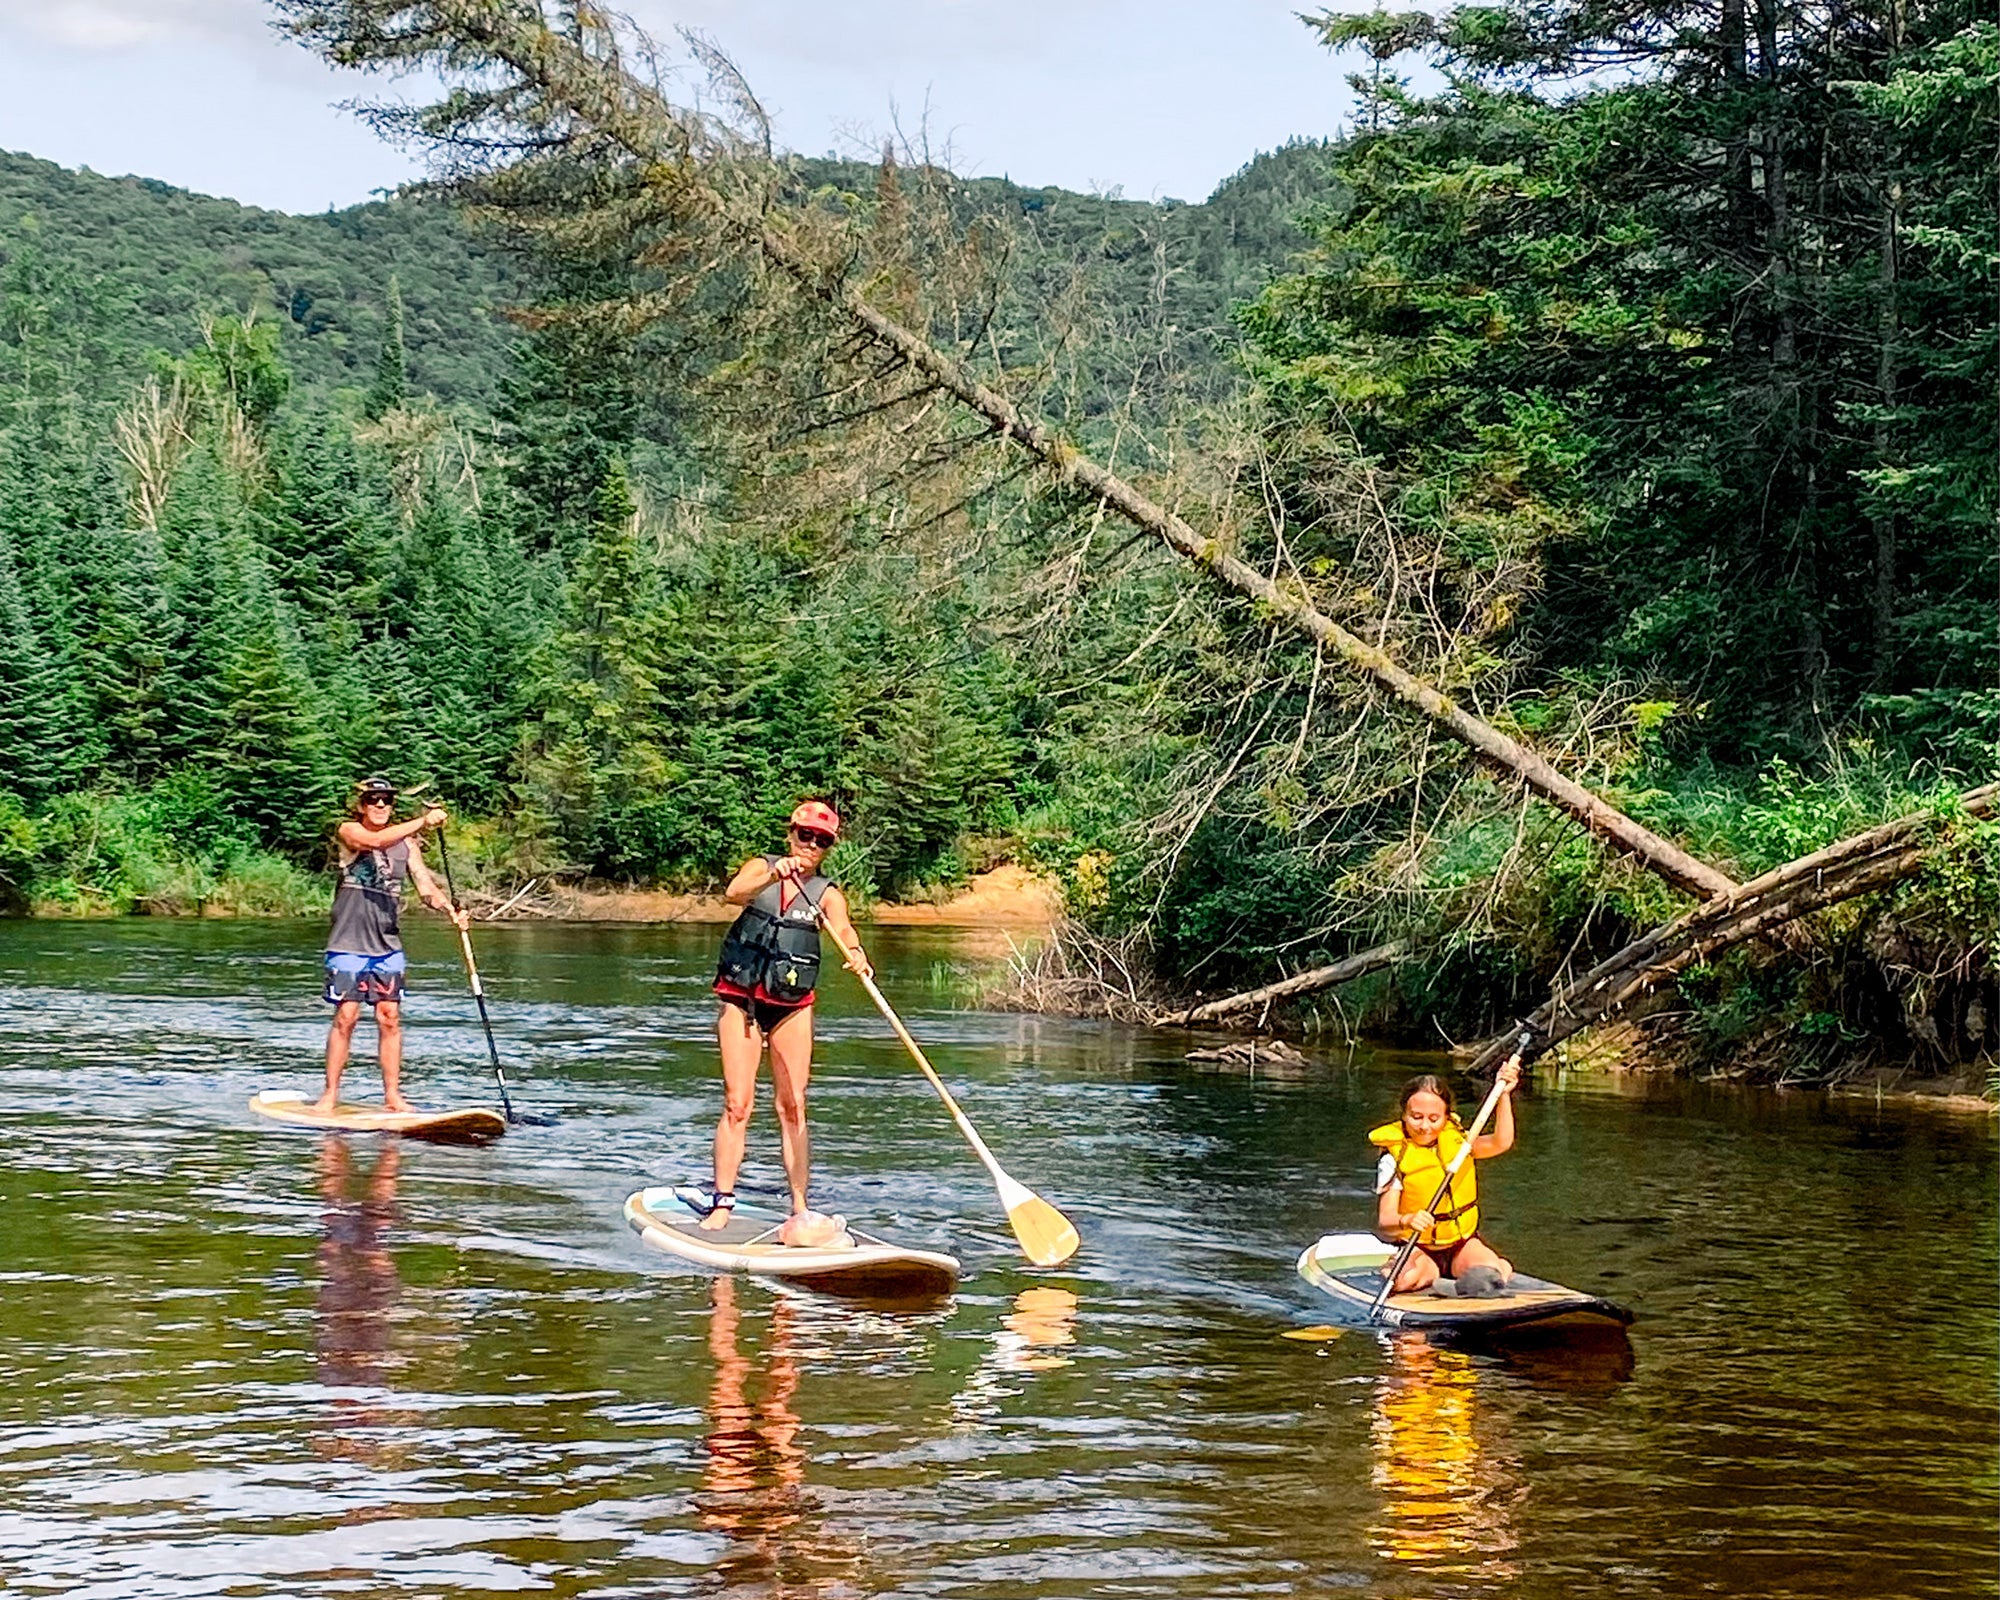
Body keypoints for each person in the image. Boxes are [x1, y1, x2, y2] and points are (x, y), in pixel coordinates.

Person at [701, 800, 872, 1230]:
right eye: (804, 835)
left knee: (793, 1104)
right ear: (791, 834)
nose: (811, 844)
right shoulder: (762, 867)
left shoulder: (827, 894)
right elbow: (733, 894)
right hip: (742, 1000)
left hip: (791, 1004)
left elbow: (844, 928)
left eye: (822, 840)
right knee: (738, 1104)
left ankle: (799, 1206)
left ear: (829, 846)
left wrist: (855, 953)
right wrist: (771, 874)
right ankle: (722, 1202)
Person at [316, 777, 469, 1114]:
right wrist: (423, 821)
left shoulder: (407, 846)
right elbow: (375, 840)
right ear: (361, 806)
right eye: (373, 800)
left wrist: (449, 909)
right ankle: (329, 1094)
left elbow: (426, 887)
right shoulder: (350, 832)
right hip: (348, 943)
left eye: (386, 800)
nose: (381, 805)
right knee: (347, 1015)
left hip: (387, 945)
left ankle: (392, 1096)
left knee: (389, 1017)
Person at [1372, 1052, 1524, 1296]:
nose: (1424, 1126)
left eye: (1434, 1119)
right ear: (1403, 1115)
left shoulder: (1461, 1145)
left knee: (1488, 1277)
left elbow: (1501, 1142)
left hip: (1461, 1245)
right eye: (1416, 1117)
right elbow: (1385, 1221)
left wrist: (1504, 1094)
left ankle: (1498, 1267)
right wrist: (1407, 1219)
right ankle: (1423, 1274)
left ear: (1445, 1118)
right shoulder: (1393, 1158)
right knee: (1403, 1282)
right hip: (1419, 1247)